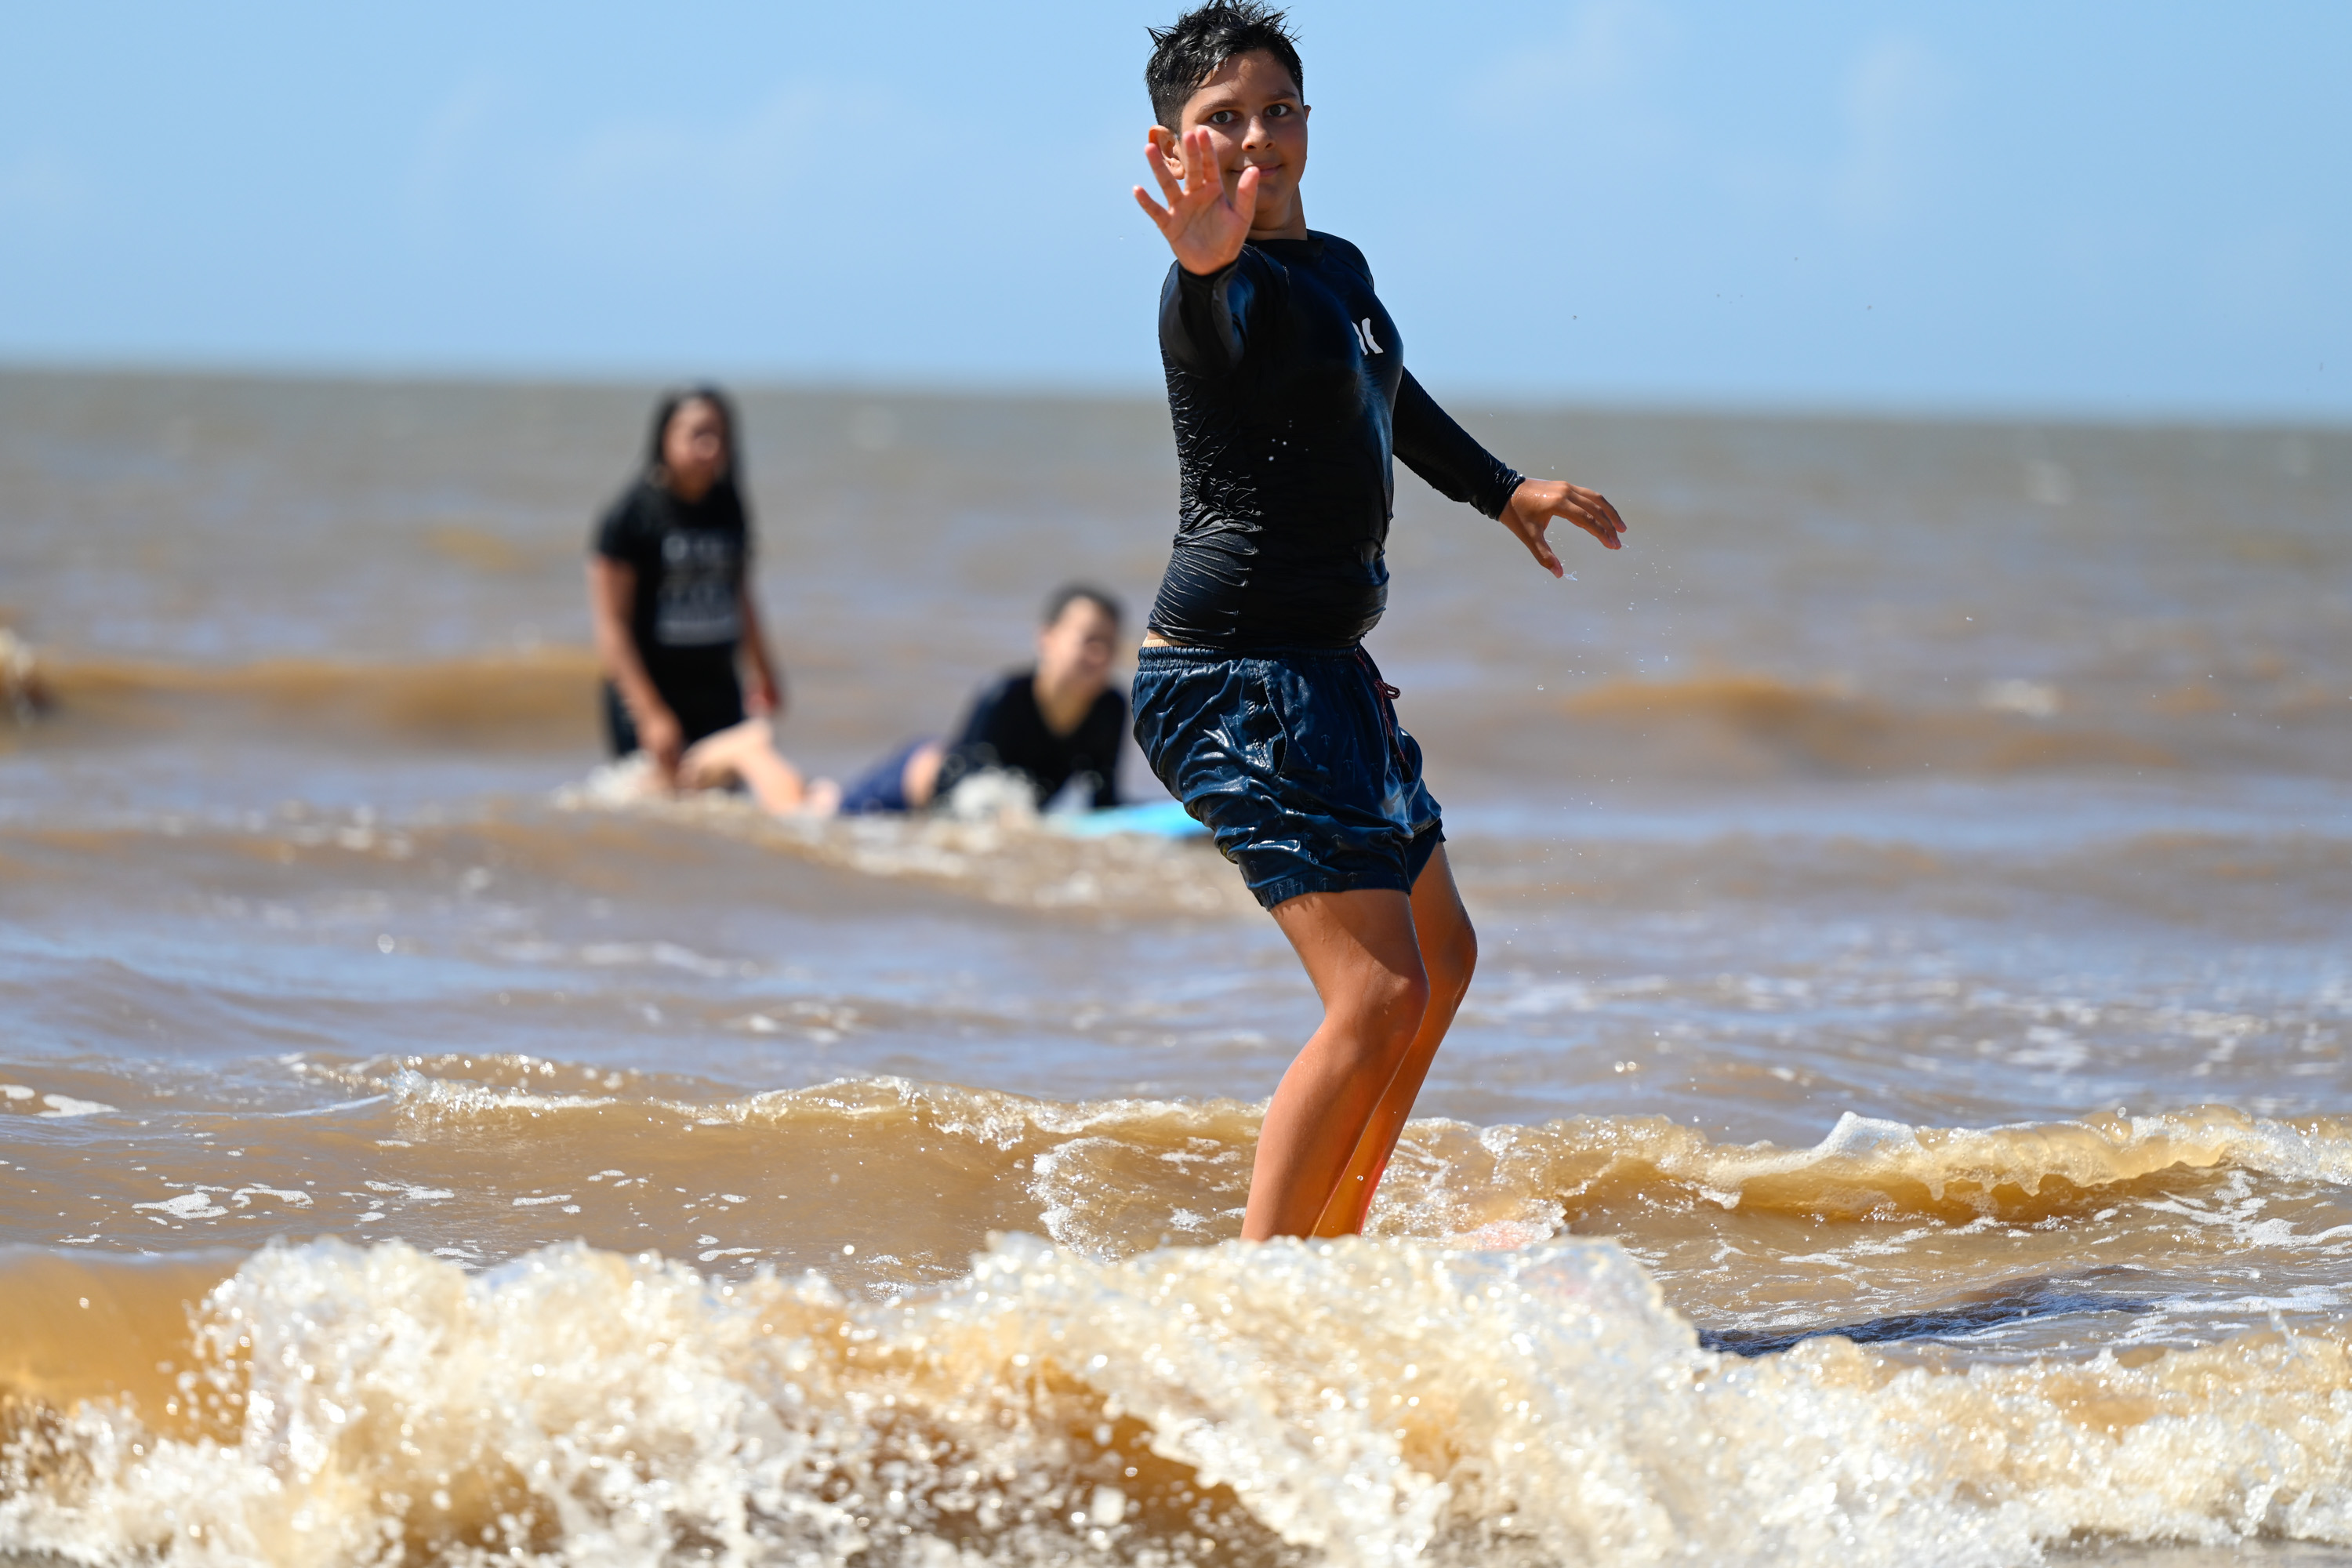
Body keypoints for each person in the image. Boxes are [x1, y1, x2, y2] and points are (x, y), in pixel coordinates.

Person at [1127, 2, 1628, 1242]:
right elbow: (1213, 317)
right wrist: (1202, 262)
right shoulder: (1220, 286)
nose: (1254, 140)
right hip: (1234, 677)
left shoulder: (1338, 268)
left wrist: (1503, 490)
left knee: (1441, 963)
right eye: (1220, 120)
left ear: (1307, 121)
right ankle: (1266, 1287)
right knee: (1374, 992)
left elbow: (1382, 393)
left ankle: (1334, 1232)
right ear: (1174, 143)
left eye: (1275, 111)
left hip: (1324, 670)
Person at [586, 387, 788, 789]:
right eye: (697, 435)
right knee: (656, 801)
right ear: (665, 437)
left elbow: (740, 593)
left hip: (718, 688)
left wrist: (764, 671)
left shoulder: (728, 505)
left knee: (721, 807)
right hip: (654, 689)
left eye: (719, 436)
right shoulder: (631, 515)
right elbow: (613, 628)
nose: (710, 447)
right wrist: (651, 714)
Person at [837, 585, 1129, 816]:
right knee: (826, 814)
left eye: (1109, 644)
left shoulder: (1111, 708)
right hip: (904, 791)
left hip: (996, 811)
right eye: (1090, 640)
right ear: (1047, 638)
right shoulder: (1004, 697)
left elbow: (1103, 799)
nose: (1100, 655)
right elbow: (961, 791)